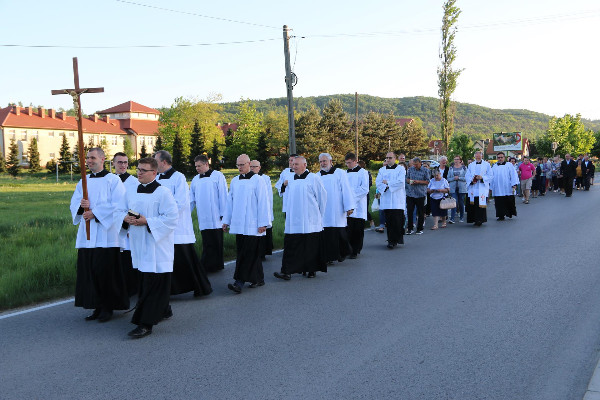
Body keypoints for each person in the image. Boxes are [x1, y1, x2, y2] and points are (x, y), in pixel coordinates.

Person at [69, 147, 129, 323]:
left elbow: (119, 204)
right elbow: (74, 203)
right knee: (91, 272)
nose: (89, 161)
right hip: (87, 236)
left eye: (93, 157)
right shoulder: (83, 181)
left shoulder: (114, 180)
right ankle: (95, 305)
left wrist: (95, 213)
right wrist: (82, 207)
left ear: (103, 159)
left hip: (106, 235)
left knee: (105, 272)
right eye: (87, 158)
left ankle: (107, 307)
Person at [122, 157, 178, 339]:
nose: (139, 172)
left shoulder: (163, 193)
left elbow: (171, 218)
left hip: (157, 246)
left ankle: (145, 323)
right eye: (138, 169)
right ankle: (164, 310)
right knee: (146, 281)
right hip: (138, 245)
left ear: (154, 173)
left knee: (153, 283)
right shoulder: (131, 191)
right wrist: (126, 219)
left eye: (143, 170)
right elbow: (121, 210)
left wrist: (147, 221)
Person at [154, 150, 212, 297]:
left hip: (178, 227)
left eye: (156, 161)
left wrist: (165, 216)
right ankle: (170, 290)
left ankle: (201, 287)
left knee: (187, 260)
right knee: (168, 261)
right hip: (162, 226)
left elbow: (181, 203)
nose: (154, 164)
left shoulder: (178, 177)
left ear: (164, 162)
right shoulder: (157, 178)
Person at [274, 156, 327, 280]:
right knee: (291, 245)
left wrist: (319, 215)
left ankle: (311, 269)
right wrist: (283, 185)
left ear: (305, 165)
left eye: (297, 164)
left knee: (310, 246)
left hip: (310, 218)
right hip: (294, 219)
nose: (294, 166)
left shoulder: (314, 178)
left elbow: (322, 198)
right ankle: (286, 271)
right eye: (293, 164)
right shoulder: (290, 179)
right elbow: (284, 193)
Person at [222, 154, 270, 293]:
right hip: (239, 224)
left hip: (253, 224)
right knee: (246, 252)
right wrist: (226, 220)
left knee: (248, 254)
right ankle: (258, 278)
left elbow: (263, 202)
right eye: (238, 165)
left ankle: (239, 282)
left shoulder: (258, 180)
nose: (239, 167)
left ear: (249, 164)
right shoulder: (235, 181)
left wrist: (263, 223)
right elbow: (230, 202)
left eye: (242, 165)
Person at [189, 154, 228, 273]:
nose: (197, 168)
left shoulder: (218, 176)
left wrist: (224, 215)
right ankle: (207, 265)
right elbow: (191, 199)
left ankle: (216, 265)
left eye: (199, 166)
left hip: (216, 216)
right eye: (196, 166)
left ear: (206, 164)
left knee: (216, 241)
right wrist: (186, 213)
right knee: (207, 241)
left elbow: (223, 196)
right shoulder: (195, 179)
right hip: (203, 216)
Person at [318, 153, 355, 264]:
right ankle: (330, 257)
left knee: (339, 233)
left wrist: (349, 207)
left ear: (330, 161)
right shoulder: (317, 176)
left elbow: (346, 190)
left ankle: (342, 253)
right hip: (324, 210)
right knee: (327, 234)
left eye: (324, 161)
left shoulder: (340, 173)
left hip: (337, 208)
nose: (322, 163)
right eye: (320, 162)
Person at [113, 152, 140, 297]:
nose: (123, 165)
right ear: (113, 164)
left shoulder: (134, 182)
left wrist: (130, 224)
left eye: (125, 162)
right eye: (119, 162)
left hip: (127, 223)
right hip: (111, 223)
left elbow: (136, 204)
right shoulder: (109, 180)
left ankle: (131, 288)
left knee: (128, 257)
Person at [375, 152, 406, 249]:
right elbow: (378, 182)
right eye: (387, 158)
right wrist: (386, 186)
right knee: (389, 221)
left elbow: (400, 182)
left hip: (397, 199)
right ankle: (391, 240)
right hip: (387, 199)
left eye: (390, 157)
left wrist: (388, 183)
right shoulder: (382, 170)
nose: (388, 159)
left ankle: (396, 239)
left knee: (397, 221)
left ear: (395, 158)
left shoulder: (401, 169)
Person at [344, 153, 369, 259]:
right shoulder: (344, 173)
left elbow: (365, 189)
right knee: (348, 229)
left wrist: (351, 196)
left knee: (357, 230)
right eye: (346, 163)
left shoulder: (363, 172)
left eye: (349, 163)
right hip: (347, 205)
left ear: (355, 161)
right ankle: (347, 249)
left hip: (359, 205)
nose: (347, 165)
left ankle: (355, 250)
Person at [250, 160, 274, 259]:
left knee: (263, 231)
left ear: (259, 168)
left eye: (254, 166)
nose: (252, 168)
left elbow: (267, 195)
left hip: (264, 206)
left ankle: (263, 252)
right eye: (250, 166)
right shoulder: (247, 178)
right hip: (252, 209)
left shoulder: (265, 178)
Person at [465, 151, 492, 226]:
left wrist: (482, 178)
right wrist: (471, 180)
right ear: (474, 157)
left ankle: (480, 220)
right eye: (476, 157)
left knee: (480, 203)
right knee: (474, 204)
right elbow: (467, 175)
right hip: (473, 188)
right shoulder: (471, 165)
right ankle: (474, 219)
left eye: (479, 156)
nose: (477, 158)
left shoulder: (487, 165)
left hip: (482, 187)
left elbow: (490, 175)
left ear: (482, 156)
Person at [405, 157, 430, 235]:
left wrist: (418, 181)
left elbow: (427, 181)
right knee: (410, 211)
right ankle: (410, 228)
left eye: (416, 164)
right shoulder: (410, 169)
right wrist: (410, 181)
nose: (415, 166)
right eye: (414, 164)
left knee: (420, 212)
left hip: (420, 193)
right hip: (410, 193)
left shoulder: (425, 170)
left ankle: (419, 228)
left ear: (420, 163)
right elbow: (407, 179)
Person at [491, 152, 519, 221]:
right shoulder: (494, 166)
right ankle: (501, 215)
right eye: (499, 157)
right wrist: (491, 187)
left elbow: (513, 175)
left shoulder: (509, 165)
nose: (500, 159)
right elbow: (491, 177)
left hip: (507, 186)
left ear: (504, 158)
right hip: (498, 187)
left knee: (509, 200)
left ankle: (509, 213)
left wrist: (514, 184)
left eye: (501, 157)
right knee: (499, 202)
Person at [447, 155, 467, 223]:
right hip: (453, 188)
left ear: (460, 160)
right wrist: (453, 178)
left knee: (461, 203)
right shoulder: (451, 168)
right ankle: (452, 218)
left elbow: (466, 178)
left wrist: (459, 178)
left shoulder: (464, 168)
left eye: (457, 159)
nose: (456, 161)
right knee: (454, 202)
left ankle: (461, 217)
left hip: (462, 188)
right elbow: (448, 178)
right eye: (455, 159)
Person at [358, 160, 374, 227]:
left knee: (364, 209)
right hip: (357, 193)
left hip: (365, 193)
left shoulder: (366, 173)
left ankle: (371, 220)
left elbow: (369, 183)